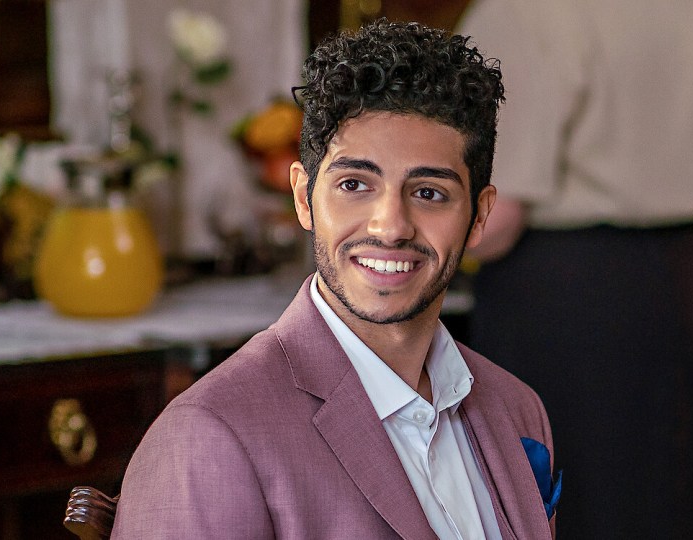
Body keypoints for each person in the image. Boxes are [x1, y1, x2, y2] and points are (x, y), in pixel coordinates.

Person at [112, 20, 560, 539]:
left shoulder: (518, 410)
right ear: (303, 197)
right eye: (354, 185)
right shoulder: (209, 435)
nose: (390, 226)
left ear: (479, 216)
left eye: (429, 193)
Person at [457, 0, 693, 538]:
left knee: (574, 512)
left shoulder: (522, 10)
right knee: (691, 508)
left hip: (565, 304)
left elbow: (499, 217)